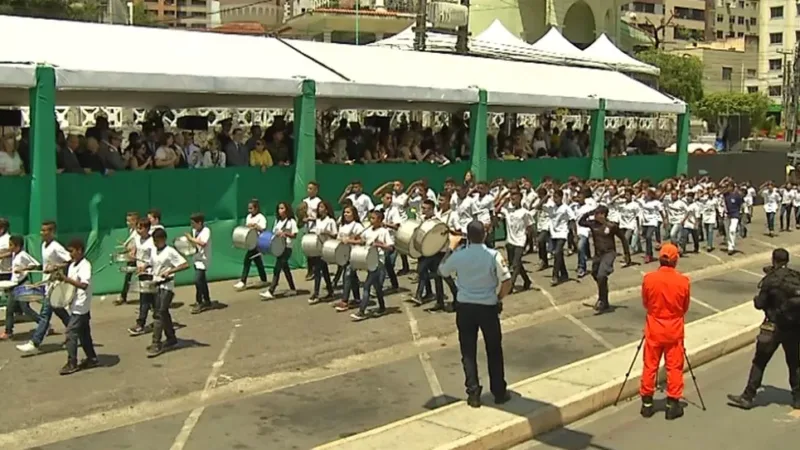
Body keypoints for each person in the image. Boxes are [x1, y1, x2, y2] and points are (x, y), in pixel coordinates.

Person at [439, 221, 512, 408]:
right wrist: (498, 298)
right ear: (484, 236)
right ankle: (499, 392)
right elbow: (506, 281)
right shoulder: (493, 255)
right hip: (488, 306)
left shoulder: (460, 255)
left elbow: (442, 270)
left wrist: (451, 247)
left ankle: (473, 393)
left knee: (468, 351)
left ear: (468, 237)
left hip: (465, 307)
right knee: (494, 350)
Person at [727, 248, 800, 410]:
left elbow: (760, 303)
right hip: (793, 328)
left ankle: (748, 397)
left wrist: (757, 300)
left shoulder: (770, 280)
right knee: (794, 363)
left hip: (773, 327)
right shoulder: (795, 277)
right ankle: (797, 398)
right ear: (787, 261)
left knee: (760, 362)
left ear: (774, 260)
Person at [639, 243, 690, 420]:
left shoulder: (649, 279)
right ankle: (672, 404)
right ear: (675, 260)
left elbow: (646, 303)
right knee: (674, 367)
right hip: (674, 328)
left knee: (650, 365)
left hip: (654, 327)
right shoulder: (683, 281)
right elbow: (685, 307)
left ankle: (647, 404)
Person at [16, 221, 72, 353]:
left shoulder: (55, 246)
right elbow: (45, 265)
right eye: (41, 230)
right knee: (61, 313)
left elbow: (70, 260)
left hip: (55, 285)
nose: (42, 233)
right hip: (47, 283)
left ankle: (35, 342)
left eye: (45, 230)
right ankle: (77, 333)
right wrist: (25, 268)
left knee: (45, 314)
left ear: (52, 232)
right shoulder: (44, 246)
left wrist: (56, 267)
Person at [578, 205, 632, 314]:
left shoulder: (611, 226)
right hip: (598, 255)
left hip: (609, 253)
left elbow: (623, 238)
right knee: (595, 274)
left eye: (597, 213)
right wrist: (589, 213)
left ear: (603, 215)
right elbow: (581, 222)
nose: (595, 216)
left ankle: (602, 300)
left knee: (601, 275)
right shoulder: (593, 224)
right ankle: (604, 298)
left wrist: (627, 254)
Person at [144, 228, 189, 357]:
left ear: (163, 240)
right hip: (156, 285)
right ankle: (171, 338)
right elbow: (152, 264)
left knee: (159, 313)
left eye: (156, 240)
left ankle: (156, 343)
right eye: (153, 240)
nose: (154, 243)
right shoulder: (154, 251)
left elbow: (185, 264)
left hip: (167, 286)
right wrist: (145, 267)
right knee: (163, 312)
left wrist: (170, 271)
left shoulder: (170, 251)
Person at [57, 239, 99, 375]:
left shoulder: (85, 266)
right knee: (84, 333)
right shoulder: (72, 265)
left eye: (72, 251)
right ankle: (92, 358)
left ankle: (72, 363)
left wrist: (66, 279)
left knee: (71, 333)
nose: (70, 254)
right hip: (74, 304)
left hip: (81, 305)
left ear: (79, 250)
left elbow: (84, 285)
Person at [350, 209, 393, 321]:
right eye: (370, 218)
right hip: (369, 258)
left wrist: (379, 244)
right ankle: (382, 307)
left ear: (380, 220)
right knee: (377, 286)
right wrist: (356, 238)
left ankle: (361, 311)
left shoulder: (384, 232)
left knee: (367, 285)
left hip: (378, 261)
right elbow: (363, 241)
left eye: (373, 218)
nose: (371, 220)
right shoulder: (368, 230)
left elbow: (390, 247)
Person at [1, 235, 42, 340]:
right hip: (14, 285)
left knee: (26, 309)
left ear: (18, 246)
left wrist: (23, 268)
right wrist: (13, 268)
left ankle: (43, 324)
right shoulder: (15, 254)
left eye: (11, 245)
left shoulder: (23, 254)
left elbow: (35, 264)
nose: (9, 247)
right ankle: (8, 331)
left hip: (22, 285)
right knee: (9, 309)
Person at [260, 202, 299, 300]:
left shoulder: (291, 221)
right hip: (279, 247)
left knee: (277, 268)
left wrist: (285, 234)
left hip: (287, 248)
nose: (280, 210)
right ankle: (293, 289)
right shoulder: (277, 221)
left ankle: (271, 290)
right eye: (279, 208)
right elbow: (274, 233)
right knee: (285, 269)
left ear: (287, 209)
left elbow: (295, 235)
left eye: (282, 208)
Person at [127, 219, 156, 336]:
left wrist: (145, 265)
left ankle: (140, 324)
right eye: (137, 228)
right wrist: (132, 254)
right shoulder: (137, 239)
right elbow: (135, 251)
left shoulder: (152, 242)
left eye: (140, 228)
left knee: (144, 299)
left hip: (150, 272)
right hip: (140, 273)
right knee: (152, 299)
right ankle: (160, 319)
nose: (138, 230)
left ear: (147, 229)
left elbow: (154, 258)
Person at [234, 199, 268, 290]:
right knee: (258, 261)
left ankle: (243, 281)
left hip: (258, 242)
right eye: (249, 208)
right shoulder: (248, 216)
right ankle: (264, 279)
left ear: (256, 208)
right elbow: (247, 229)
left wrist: (256, 226)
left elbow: (263, 229)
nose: (250, 210)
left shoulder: (261, 217)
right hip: (250, 242)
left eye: (251, 208)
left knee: (247, 260)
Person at [185, 213, 213, 314]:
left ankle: (199, 302)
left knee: (198, 281)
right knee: (202, 281)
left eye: (193, 223)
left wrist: (191, 239)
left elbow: (203, 243)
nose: (192, 225)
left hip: (204, 259)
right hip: (196, 258)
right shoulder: (194, 231)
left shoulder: (206, 231)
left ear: (199, 223)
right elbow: (195, 243)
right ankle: (207, 300)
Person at [116, 211, 140, 305]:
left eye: (129, 221)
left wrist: (133, 250)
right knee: (128, 276)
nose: (127, 223)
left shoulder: (139, 231)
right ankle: (123, 296)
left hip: (139, 258)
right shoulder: (131, 231)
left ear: (134, 221)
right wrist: (126, 250)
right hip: (132, 257)